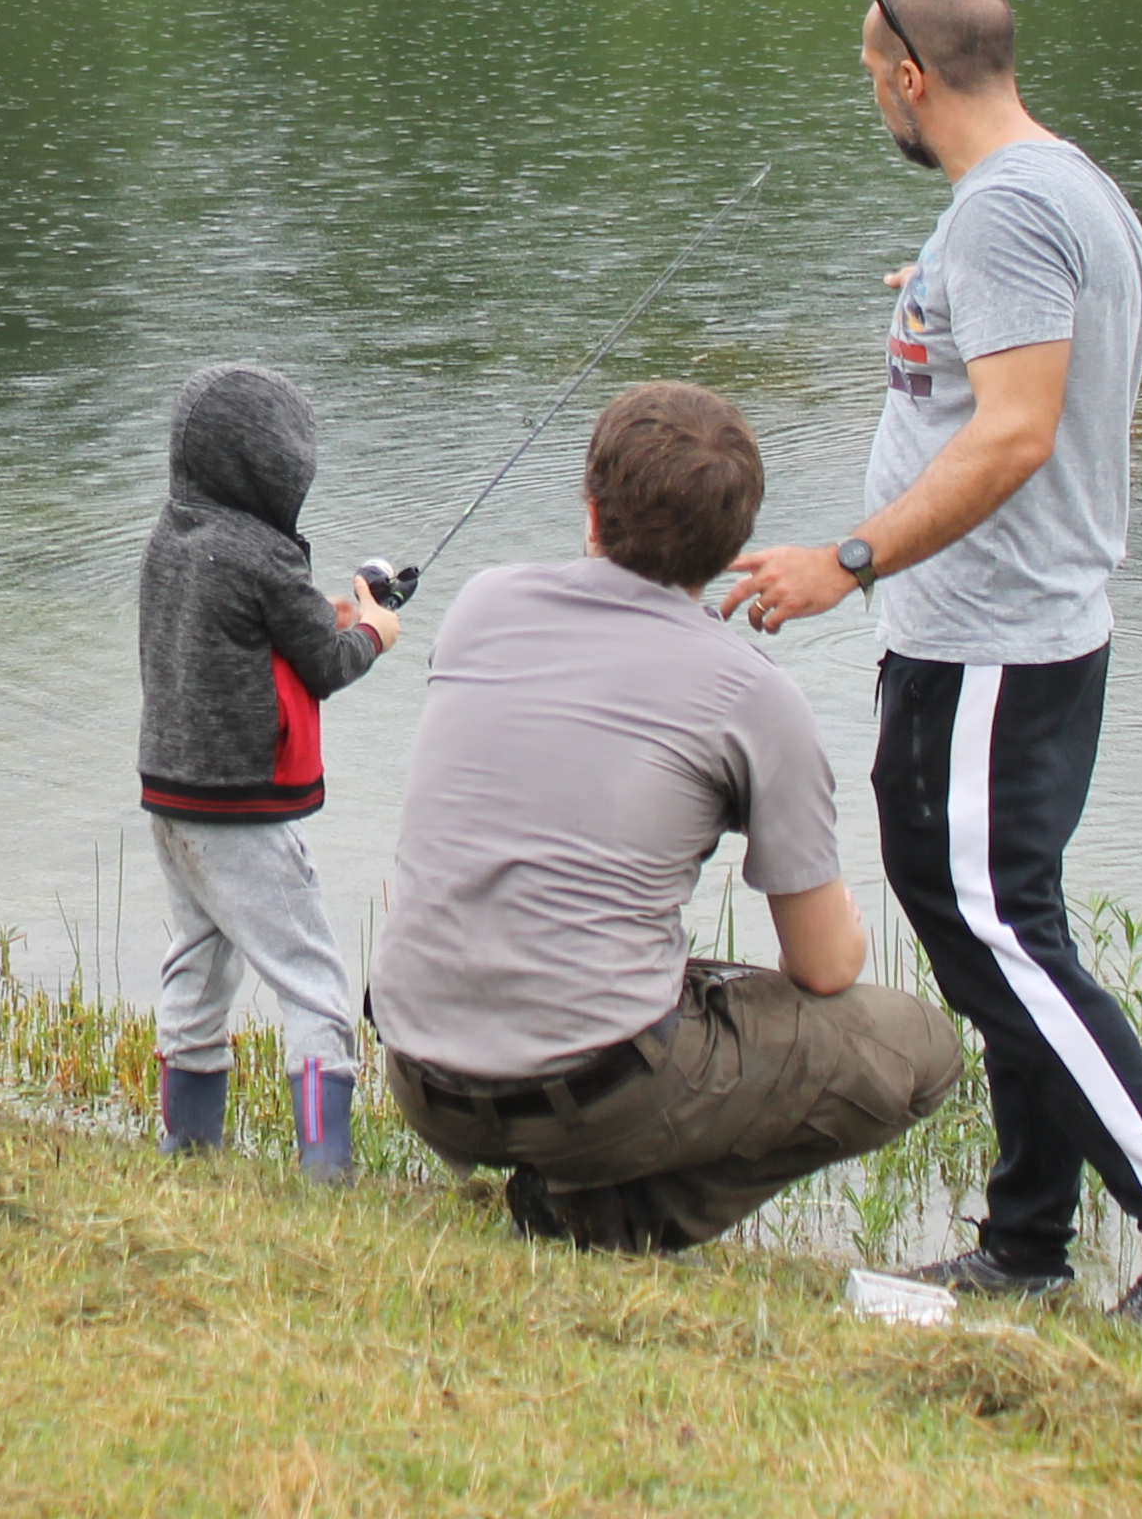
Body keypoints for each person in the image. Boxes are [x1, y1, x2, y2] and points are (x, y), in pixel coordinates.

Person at [719, 0, 1142, 1337]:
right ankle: (1028, 1244)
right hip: (1020, 634)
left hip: (991, 640)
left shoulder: (1008, 218)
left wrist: (845, 559)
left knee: (993, 936)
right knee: (1014, 932)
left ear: (913, 77)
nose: (876, 108)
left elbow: (1020, 433)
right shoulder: (1058, 190)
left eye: (873, 83)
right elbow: (1021, 372)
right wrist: (941, 300)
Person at [371, 382, 962, 1249]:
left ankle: (579, 1178)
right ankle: (613, 1215)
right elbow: (827, 968)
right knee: (919, 1048)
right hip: (591, 1098)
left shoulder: (481, 605)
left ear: (592, 514)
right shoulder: (758, 696)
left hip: (419, 1074)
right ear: (735, 547)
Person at [135, 364, 401, 1183]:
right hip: (243, 810)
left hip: (170, 798)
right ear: (271, 468)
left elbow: (247, 627)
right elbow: (322, 664)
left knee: (198, 966)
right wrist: (377, 632)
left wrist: (332, 608)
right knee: (315, 985)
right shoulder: (263, 556)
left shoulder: (171, 537)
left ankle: (187, 1150)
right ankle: (326, 1169)